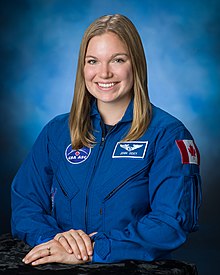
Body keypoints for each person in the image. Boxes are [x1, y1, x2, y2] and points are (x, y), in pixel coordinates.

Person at [11, 14, 202, 266]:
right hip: (58, 266)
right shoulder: (57, 132)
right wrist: (55, 241)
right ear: (83, 67)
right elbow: (26, 203)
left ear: (136, 64)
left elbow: (169, 223)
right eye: (93, 61)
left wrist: (93, 250)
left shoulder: (168, 135)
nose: (104, 73)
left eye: (118, 60)